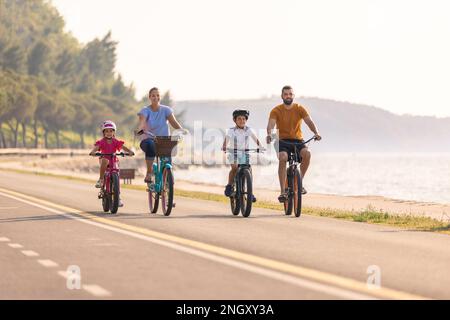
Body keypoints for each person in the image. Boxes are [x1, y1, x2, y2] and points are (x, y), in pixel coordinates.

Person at [266, 86, 322, 203]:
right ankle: (282, 192)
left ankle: (299, 181)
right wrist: (270, 134)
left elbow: (309, 121)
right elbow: (270, 125)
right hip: (281, 140)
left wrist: (316, 133)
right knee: (283, 158)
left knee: (307, 154)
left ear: (293, 96)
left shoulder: (299, 108)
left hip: (297, 140)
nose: (288, 96)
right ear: (282, 96)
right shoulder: (276, 110)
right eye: (286, 94)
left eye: (290, 94)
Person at [136, 87, 187, 186]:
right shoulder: (145, 110)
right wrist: (139, 130)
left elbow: (174, 123)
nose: (156, 97)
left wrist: (182, 130)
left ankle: (168, 186)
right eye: (153, 95)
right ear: (150, 97)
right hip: (148, 140)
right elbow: (142, 122)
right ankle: (149, 172)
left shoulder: (166, 110)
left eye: (158, 95)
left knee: (168, 155)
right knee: (150, 144)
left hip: (163, 141)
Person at [89, 121, 135, 206]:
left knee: (116, 172)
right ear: (103, 133)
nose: (109, 133)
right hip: (104, 158)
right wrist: (93, 152)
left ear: (114, 132)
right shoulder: (102, 142)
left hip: (113, 159)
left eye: (111, 131)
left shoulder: (115, 141)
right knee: (105, 160)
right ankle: (101, 179)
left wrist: (129, 151)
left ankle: (118, 197)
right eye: (106, 131)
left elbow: (122, 147)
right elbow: (96, 148)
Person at [222, 109, 263, 202]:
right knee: (235, 167)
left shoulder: (248, 130)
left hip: (244, 153)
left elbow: (255, 139)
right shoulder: (231, 131)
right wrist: (224, 146)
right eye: (239, 119)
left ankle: (249, 192)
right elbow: (226, 140)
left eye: (244, 119)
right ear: (235, 120)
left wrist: (260, 146)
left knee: (248, 168)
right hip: (233, 152)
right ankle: (229, 185)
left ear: (246, 120)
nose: (242, 121)